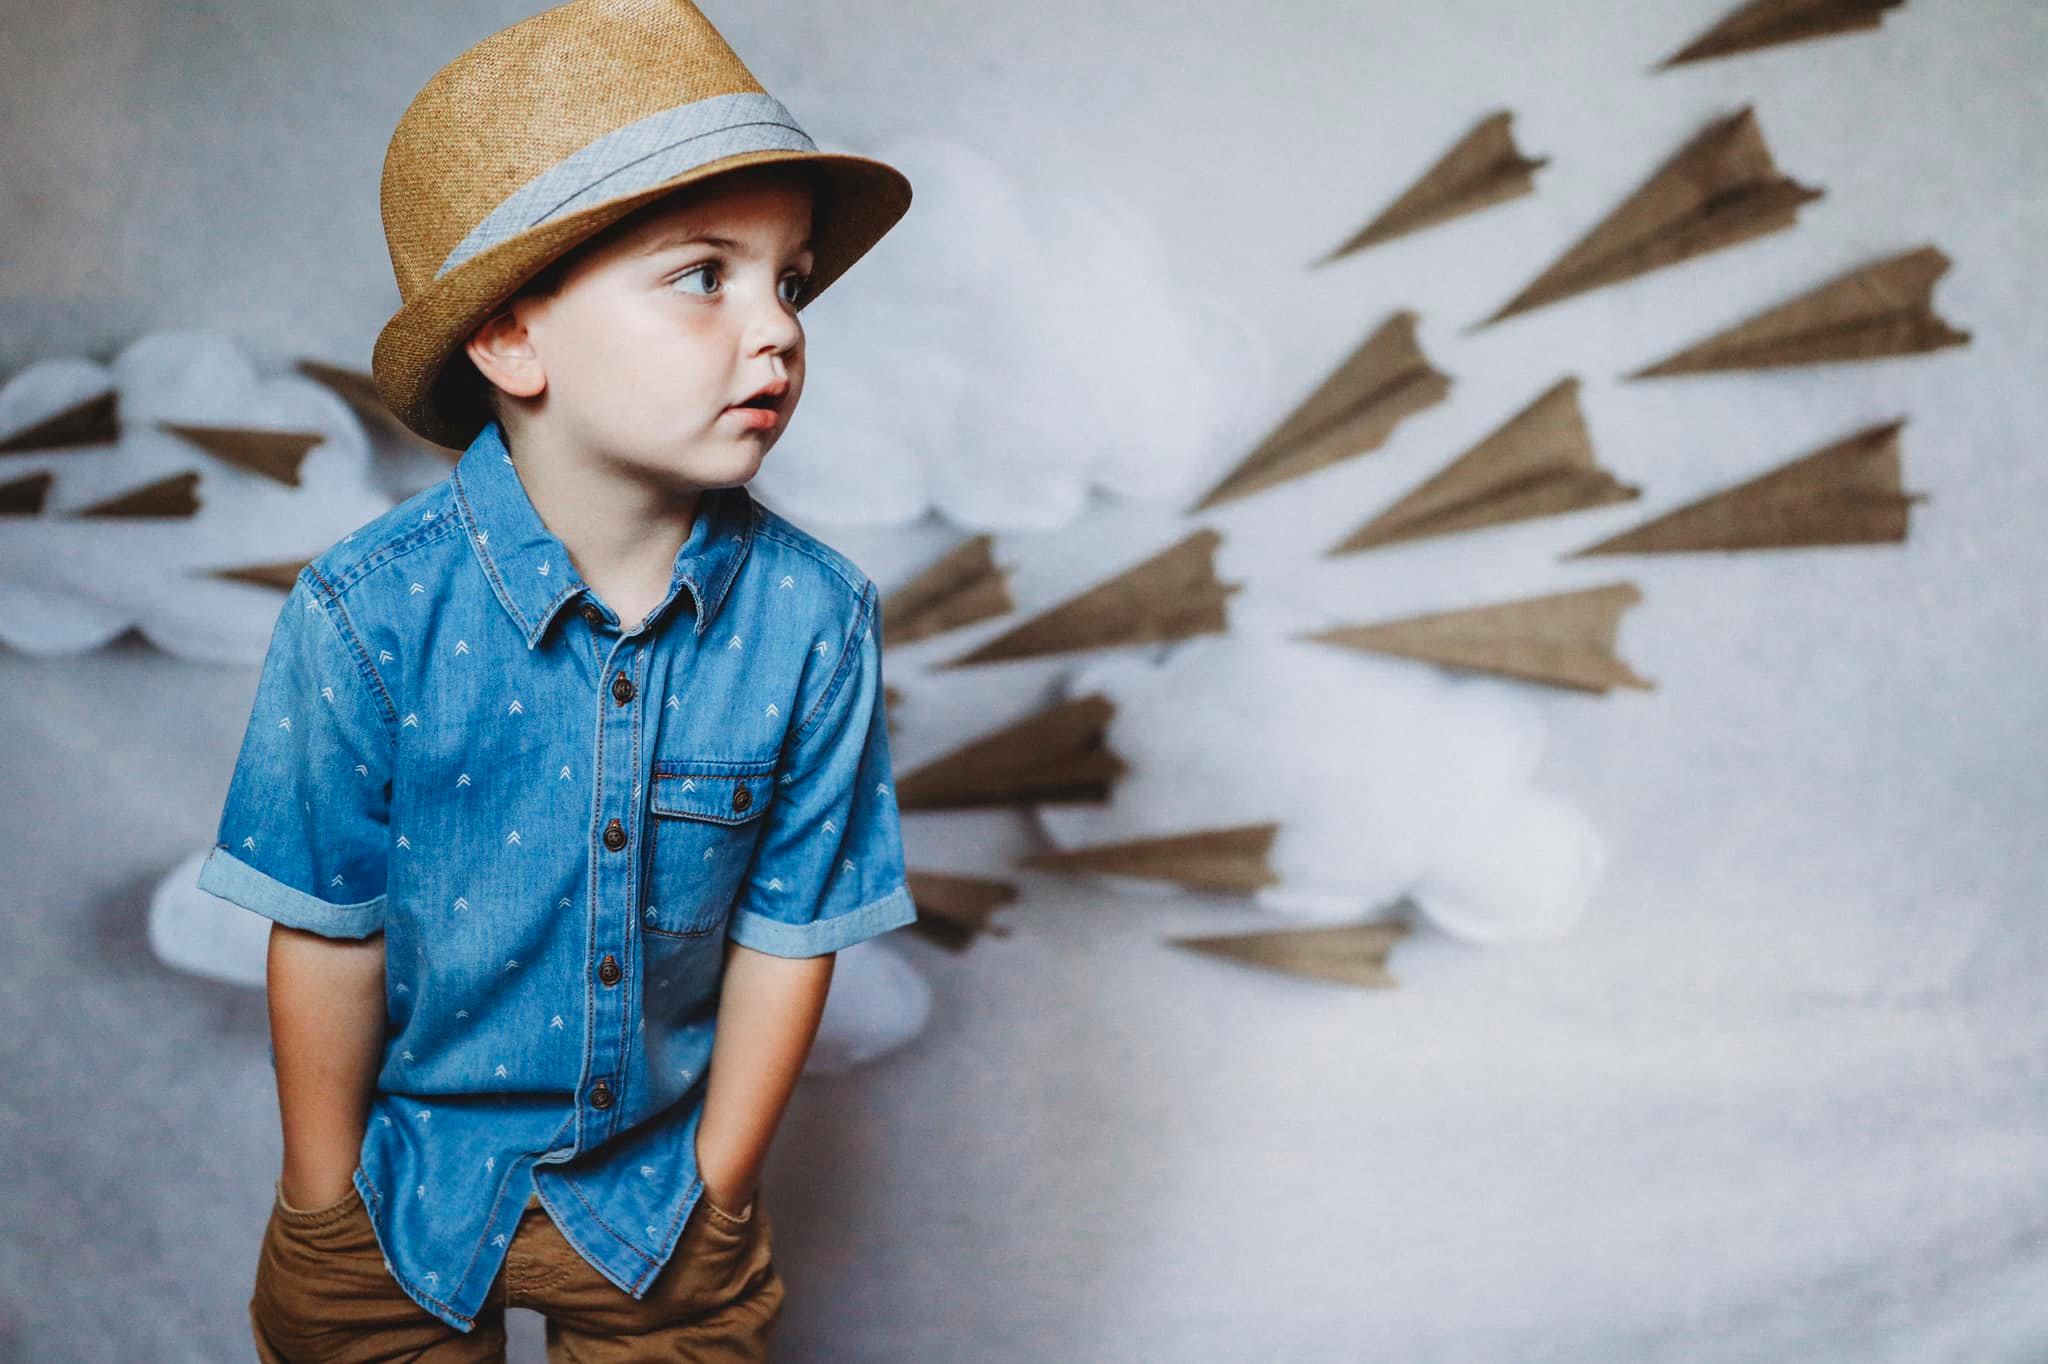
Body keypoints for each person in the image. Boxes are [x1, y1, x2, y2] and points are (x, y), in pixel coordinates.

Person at [195, 1, 918, 1357]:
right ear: (513, 340)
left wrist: (721, 1190)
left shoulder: (818, 621)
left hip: (662, 1211)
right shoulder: (365, 610)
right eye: (707, 276)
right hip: (399, 1201)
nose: (777, 330)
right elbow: (326, 928)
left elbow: (788, 935)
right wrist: (320, 1200)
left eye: (793, 282)